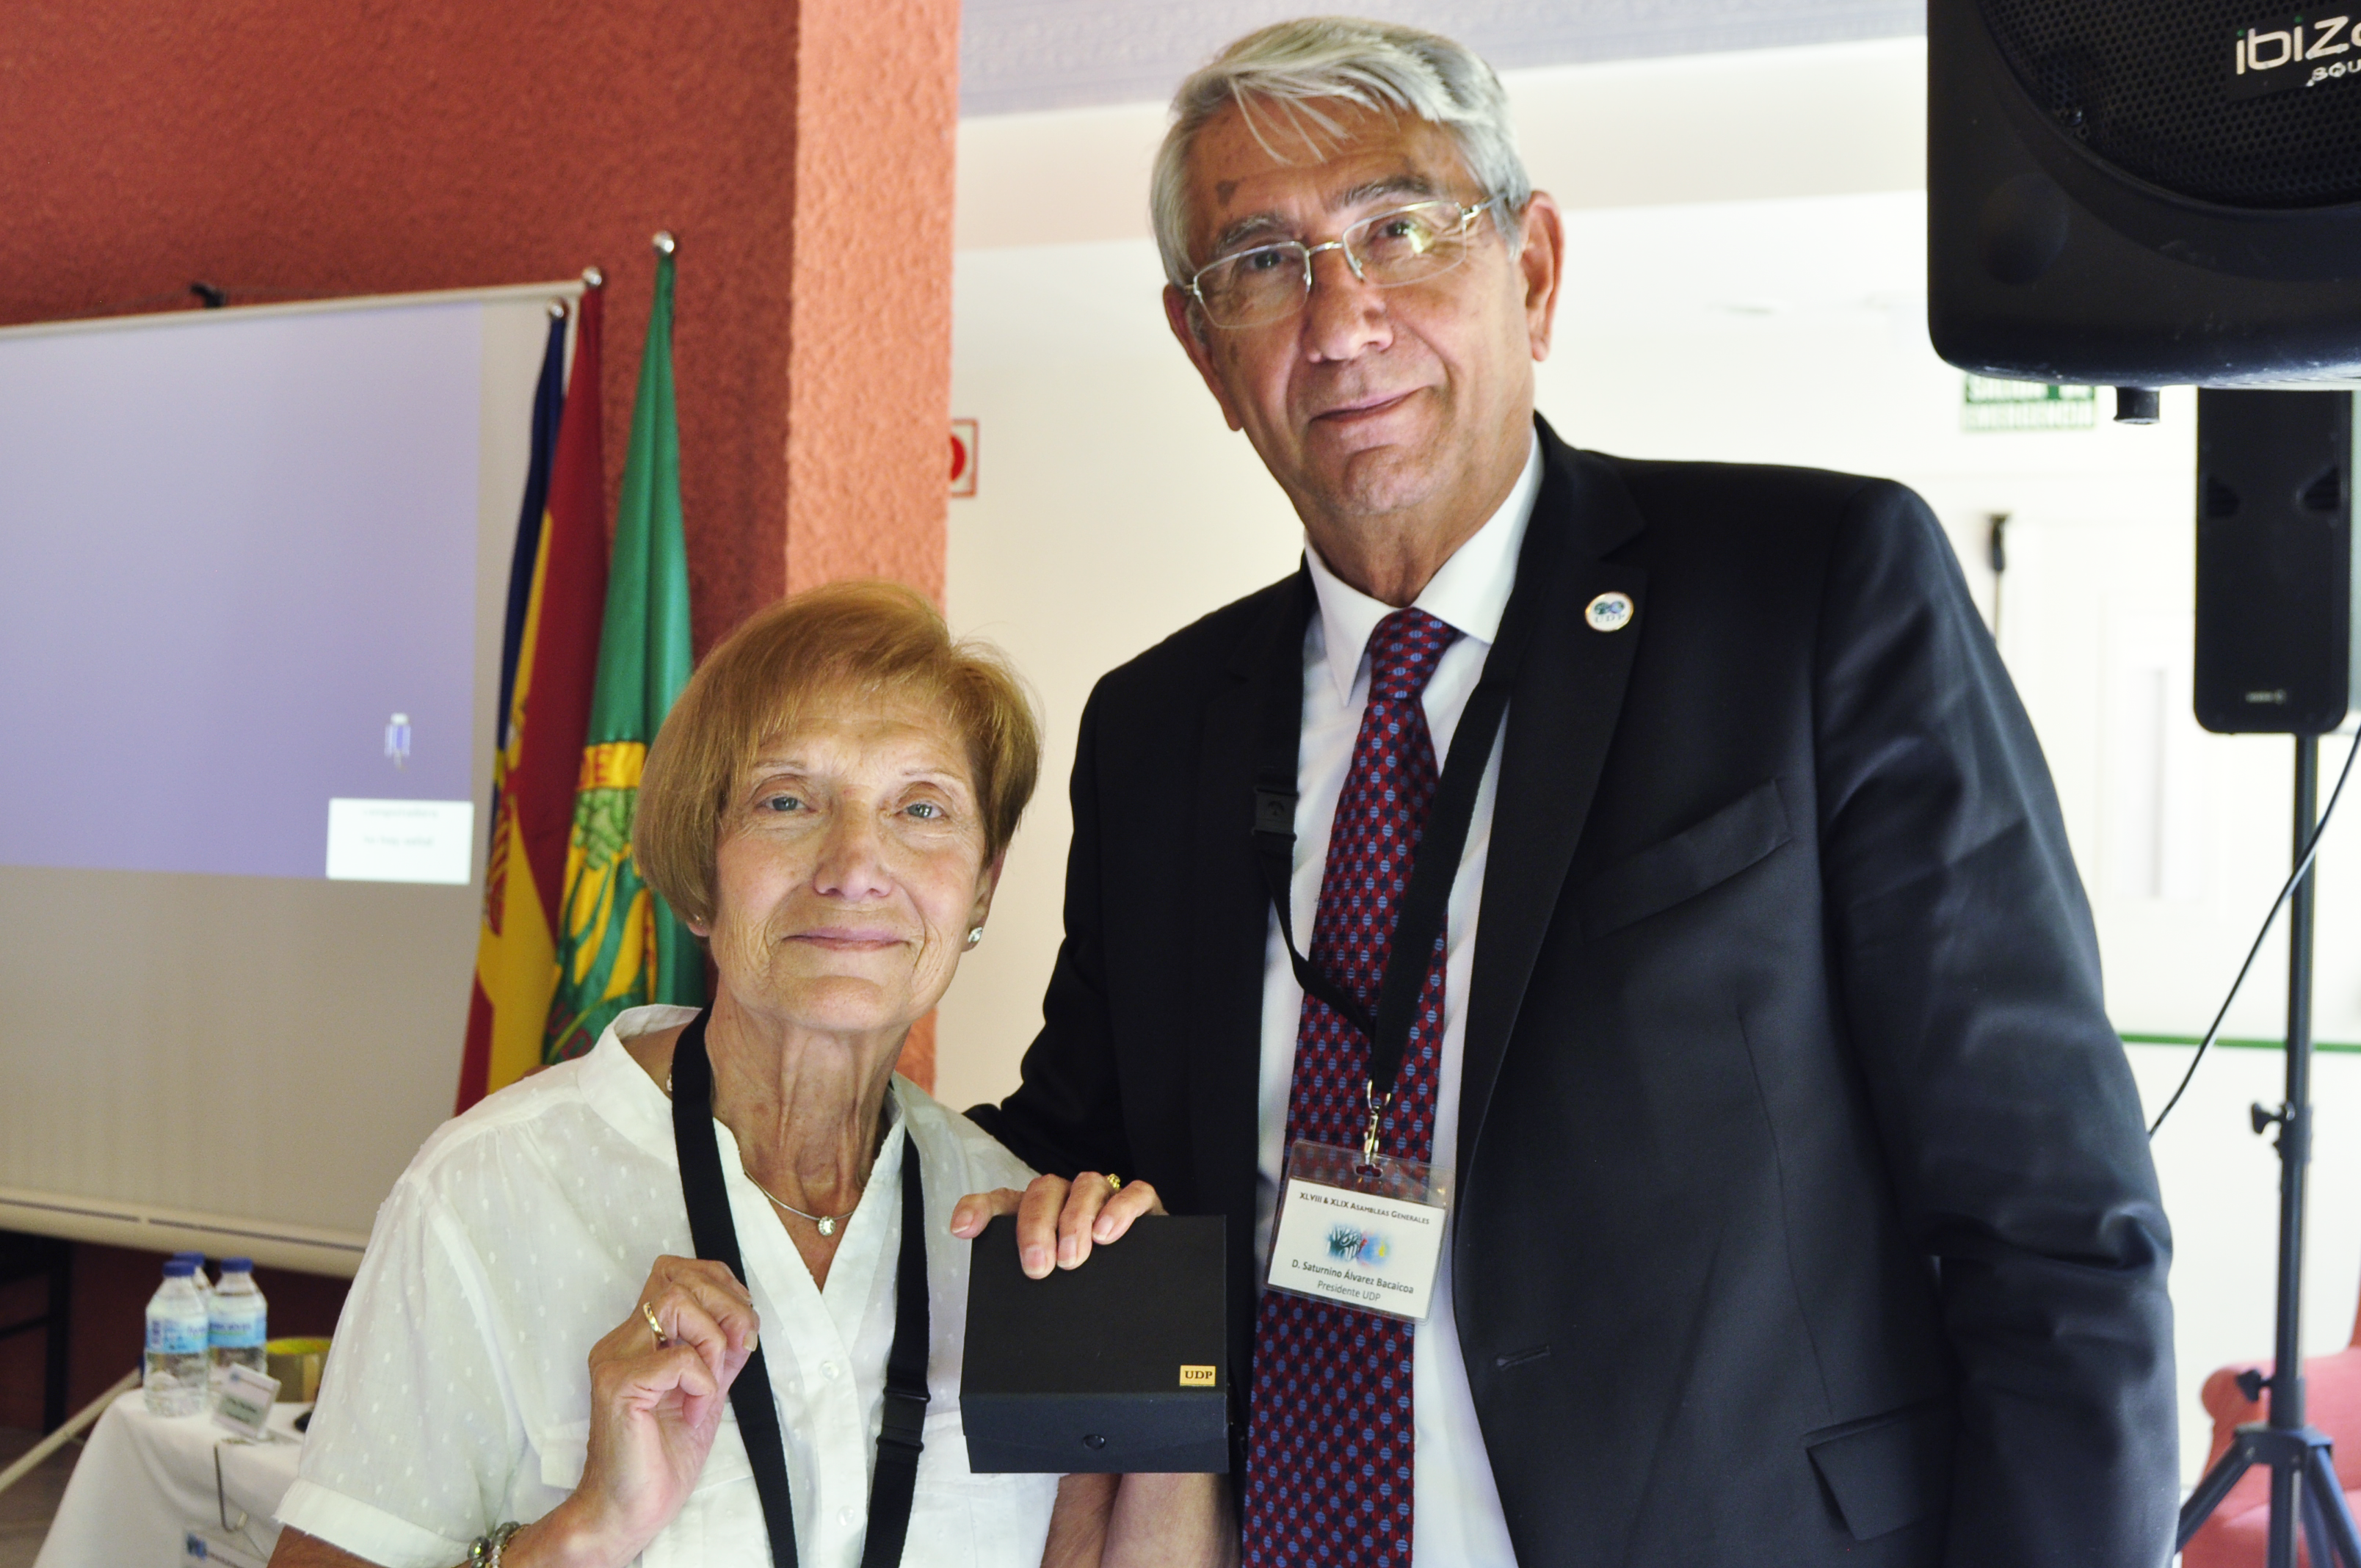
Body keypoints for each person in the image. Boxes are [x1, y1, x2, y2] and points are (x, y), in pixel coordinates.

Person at [951, 18, 2177, 1567]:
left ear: (1530, 268)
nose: (1341, 321)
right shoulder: (1159, 729)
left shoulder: (1811, 597)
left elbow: (2052, 1228)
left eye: (1399, 229)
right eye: (1260, 265)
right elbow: (1075, 1155)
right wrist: (735, 1099)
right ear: (1206, 355)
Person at [269, 581, 1221, 1568]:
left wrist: (1160, 1378)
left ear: (979, 885)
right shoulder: (486, 1195)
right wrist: (585, 1532)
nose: (857, 863)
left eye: (922, 807)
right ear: (699, 866)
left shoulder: (1017, 1225)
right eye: (788, 800)